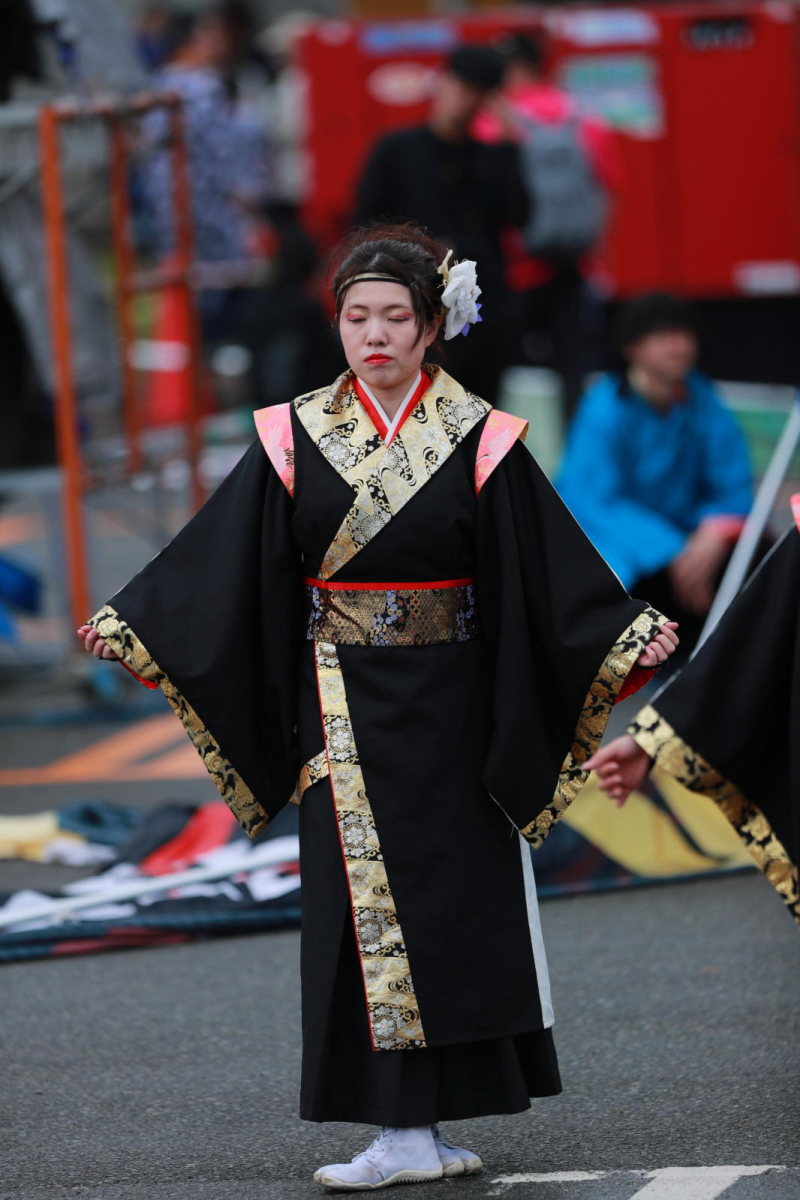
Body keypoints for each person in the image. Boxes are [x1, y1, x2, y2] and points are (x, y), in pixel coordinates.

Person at [78, 224, 678, 1192]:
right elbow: (226, 557)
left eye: (395, 316)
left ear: (432, 326)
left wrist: (619, 629)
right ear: (338, 326)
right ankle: (398, 1129)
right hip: (340, 699)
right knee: (361, 912)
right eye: (356, 316)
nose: (373, 334)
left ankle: (428, 1127)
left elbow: (544, 565)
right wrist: (137, 621)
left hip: (455, 700)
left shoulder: (480, 438)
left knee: (453, 906)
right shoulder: (293, 434)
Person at [585, 495, 800, 929]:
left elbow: (733, 484)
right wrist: (657, 737)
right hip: (647, 561)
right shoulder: (609, 424)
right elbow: (760, 637)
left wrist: (719, 525)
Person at [557, 292, 753, 653]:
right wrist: (674, 549)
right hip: (626, 550)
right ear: (632, 348)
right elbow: (589, 500)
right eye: (662, 335)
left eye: (683, 333)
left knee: (753, 560)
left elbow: (734, 482)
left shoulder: (702, 397)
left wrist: (714, 530)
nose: (677, 345)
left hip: (691, 542)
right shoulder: (605, 407)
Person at [354, 46, 528, 404]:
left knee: (480, 413)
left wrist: (510, 142)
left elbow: (521, 216)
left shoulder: (491, 158)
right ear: (442, 83)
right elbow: (365, 225)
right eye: (461, 87)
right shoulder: (396, 150)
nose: (466, 100)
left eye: (478, 92)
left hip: (481, 308)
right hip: (414, 305)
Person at [474, 31, 621, 419]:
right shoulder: (584, 118)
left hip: (515, 270)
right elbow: (608, 185)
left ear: (514, 68)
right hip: (573, 265)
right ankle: (578, 469)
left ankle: (492, 467)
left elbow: (485, 199)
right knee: (573, 373)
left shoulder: (494, 121)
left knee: (495, 375)